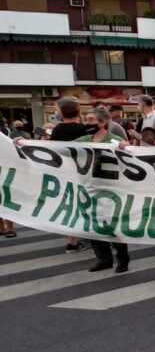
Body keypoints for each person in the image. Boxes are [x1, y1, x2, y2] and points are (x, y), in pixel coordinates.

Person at [75, 106, 129, 273]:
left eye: (91, 120)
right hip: (89, 188)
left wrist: (126, 147)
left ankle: (122, 259)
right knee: (93, 224)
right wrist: (25, 143)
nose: (87, 122)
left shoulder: (113, 141)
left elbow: (129, 159)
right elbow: (56, 148)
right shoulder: (83, 140)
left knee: (113, 225)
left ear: (102, 122)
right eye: (86, 119)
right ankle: (103, 259)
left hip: (110, 189)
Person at [49, 97, 89, 253]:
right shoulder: (83, 129)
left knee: (70, 205)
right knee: (86, 204)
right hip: (83, 172)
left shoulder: (57, 130)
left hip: (64, 172)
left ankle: (72, 242)